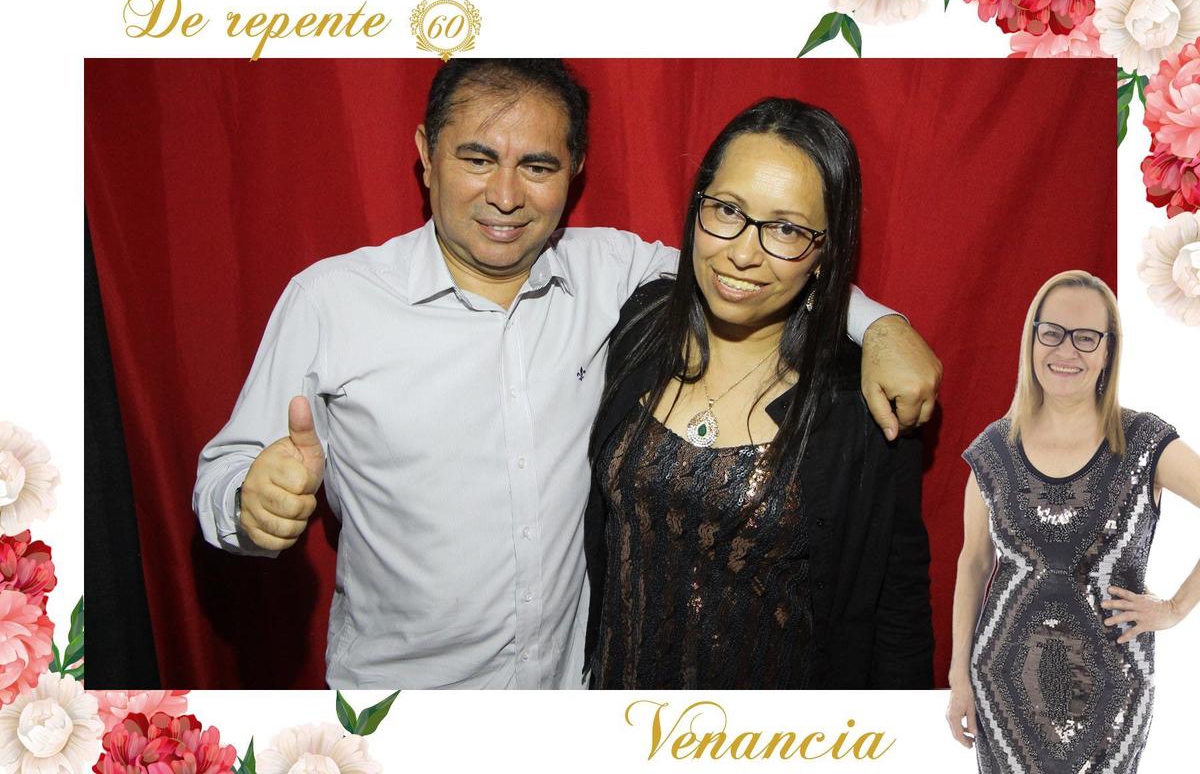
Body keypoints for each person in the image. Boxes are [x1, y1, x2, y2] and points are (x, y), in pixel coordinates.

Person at [192, 59, 943, 689]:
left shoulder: (612, 273)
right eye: (477, 158)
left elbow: (748, 261)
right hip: (402, 705)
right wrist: (248, 505)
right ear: (424, 151)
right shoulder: (330, 301)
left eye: (538, 166)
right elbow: (223, 476)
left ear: (575, 170)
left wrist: (882, 325)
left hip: (571, 702)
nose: (506, 195)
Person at [584, 98, 934, 689]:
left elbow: (896, 612)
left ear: (825, 252)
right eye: (727, 210)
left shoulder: (860, 403)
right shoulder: (637, 327)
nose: (743, 254)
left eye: (787, 230)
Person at [946, 271, 1200, 771]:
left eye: (1086, 338)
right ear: (1032, 339)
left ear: (1108, 350)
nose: (1066, 350)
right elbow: (973, 564)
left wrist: (1175, 608)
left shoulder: (1145, 442)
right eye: (1052, 332)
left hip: (1113, 691)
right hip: (1002, 687)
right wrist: (959, 677)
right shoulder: (992, 450)